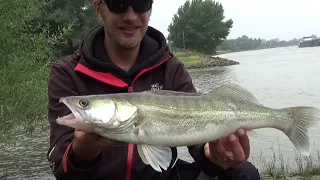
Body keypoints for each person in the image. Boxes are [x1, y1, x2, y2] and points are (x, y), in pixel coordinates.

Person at [46, 0, 261, 179]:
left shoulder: (171, 68)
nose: (130, 16)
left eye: (140, 3)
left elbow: (198, 141)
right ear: (98, 8)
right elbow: (61, 168)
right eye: (118, 3)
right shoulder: (68, 72)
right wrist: (84, 151)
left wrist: (213, 154)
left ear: (150, 9)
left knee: (243, 174)